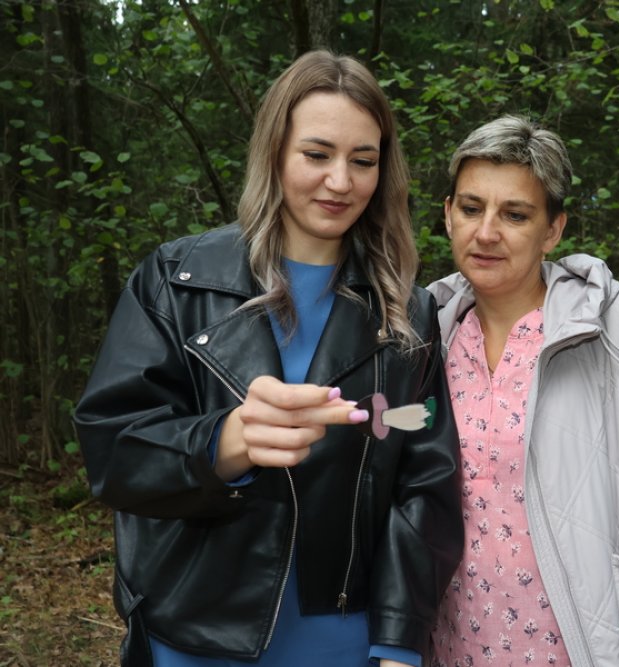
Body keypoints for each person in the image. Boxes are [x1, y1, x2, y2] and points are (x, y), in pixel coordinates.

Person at [73, 51, 463, 667]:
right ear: (274, 153)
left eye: (363, 161)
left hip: (342, 639)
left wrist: (398, 640)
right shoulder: (177, 280)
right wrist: (224, 443)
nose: (341, 181)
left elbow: (422, 480)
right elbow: (113, 450)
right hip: (194, 632)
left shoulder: (407, 314)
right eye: (317, 154)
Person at [425, 115, 619, 667]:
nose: (486, 232)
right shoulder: (424, 338)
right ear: (447, 214)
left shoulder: (616, 331)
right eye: (471, 208)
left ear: (553, 230)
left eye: (515, 214)